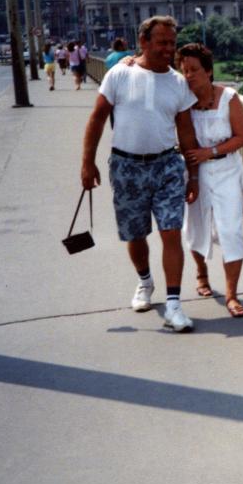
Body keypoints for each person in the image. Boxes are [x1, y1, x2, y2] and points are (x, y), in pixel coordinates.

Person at [80, 16, 200, 332]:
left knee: (171, 232)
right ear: (143, 42)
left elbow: (186, 133)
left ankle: (174, 305)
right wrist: (87, 162)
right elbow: (97, 119)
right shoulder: (120, 74)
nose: (168, 49)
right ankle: (145, 282)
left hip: (167, 166)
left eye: (172, 43)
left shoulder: (178, 83)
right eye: (162, 42)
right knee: (135, 234)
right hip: (126, 166)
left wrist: (194, 175)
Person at [177, 43, 243, 317]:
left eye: (194, 70)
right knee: (195, 227)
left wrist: (212, 151)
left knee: (230, 230)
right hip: (195, 171)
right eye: (184, 70)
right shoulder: (181, 102)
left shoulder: (228, 98)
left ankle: (232, 294)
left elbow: (242, 137)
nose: (189, 76)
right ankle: (201, 273)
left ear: (208, 71)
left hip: (227, 170)